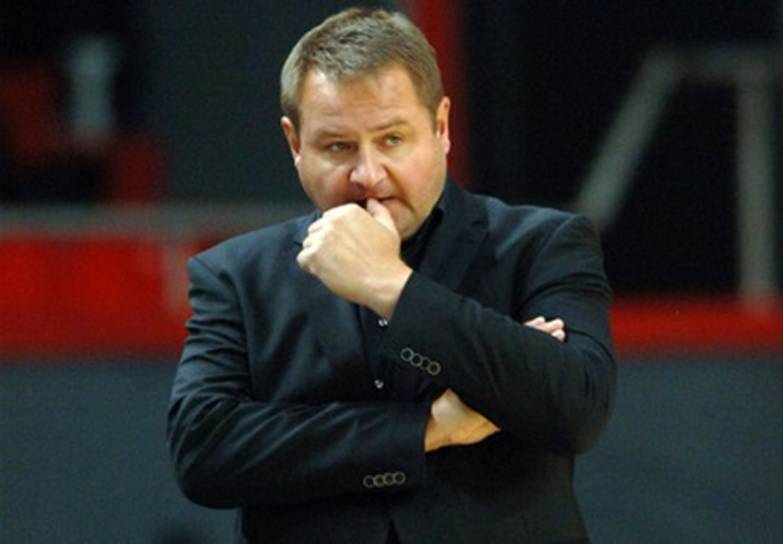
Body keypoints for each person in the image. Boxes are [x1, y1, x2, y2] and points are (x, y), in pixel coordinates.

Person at [167, 7, 616, 543]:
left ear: (441, 127)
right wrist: (425, 429)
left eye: (392, 140)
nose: (368, 175)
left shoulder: (540, 244)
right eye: (338, 147)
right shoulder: (237, 275)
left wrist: (391, 288)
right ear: (295, 144)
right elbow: (204, 451)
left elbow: (575, 407)